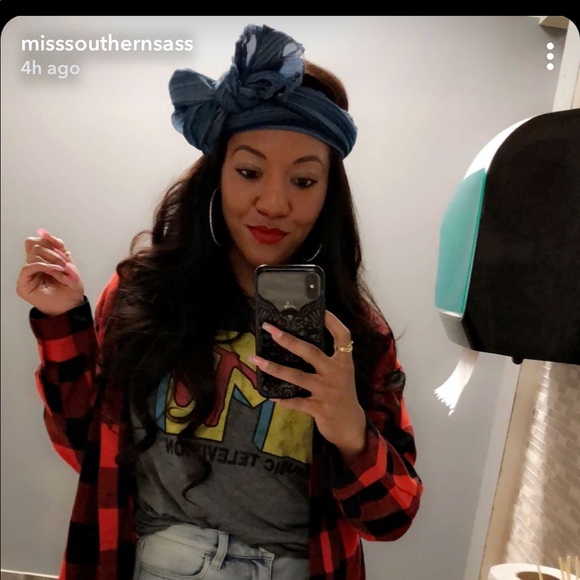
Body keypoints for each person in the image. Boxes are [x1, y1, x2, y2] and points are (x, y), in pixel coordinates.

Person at [16, 23, 423, 580]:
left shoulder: (353, 334)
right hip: (159, 562)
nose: (273, 202)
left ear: (329, 194)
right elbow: (85, 445)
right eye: (249, 172)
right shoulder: (145, 295)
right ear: (217, 177)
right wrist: (61, 317)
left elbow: (392, 518)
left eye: (303, 181)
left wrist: (349, 426)